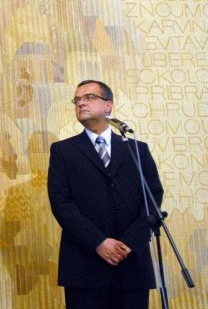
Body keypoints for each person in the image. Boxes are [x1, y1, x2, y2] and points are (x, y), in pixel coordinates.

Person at [47, 80, 163, 309]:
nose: (81, 103)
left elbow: (153, 198)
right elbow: (61, 203)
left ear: (108, 105)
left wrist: (130, 242)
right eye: (77, 100)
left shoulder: (136, 149)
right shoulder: (63, 151)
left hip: (132, 265)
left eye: (89, 97)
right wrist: (98, 242)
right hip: (85, 265)